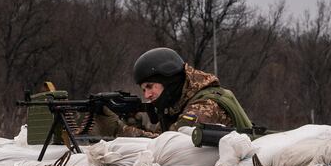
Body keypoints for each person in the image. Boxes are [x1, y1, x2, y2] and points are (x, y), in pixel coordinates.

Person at [94, 47, 252, 138]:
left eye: (150, 86)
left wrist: (118, 130)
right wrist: (132, 123)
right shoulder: (177, 105)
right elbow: (160, 136)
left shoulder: (205, 106)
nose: (147, 95)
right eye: (143, 90)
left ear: (168, 81)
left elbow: (167, 145)